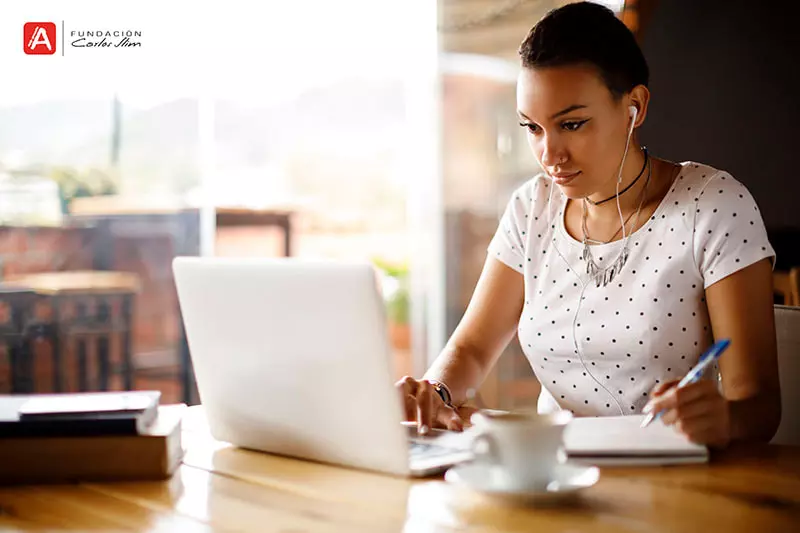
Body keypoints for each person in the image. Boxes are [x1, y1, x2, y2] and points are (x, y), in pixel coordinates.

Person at [397, 1, 781, 448]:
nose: (549, 155)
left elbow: (759, 406)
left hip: (670, 483)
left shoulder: (712, 206)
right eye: (533, 128)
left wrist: (726, 420)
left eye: (572, 124)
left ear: (634, 107)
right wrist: (435, 392)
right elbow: (471, 350)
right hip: (551, 474)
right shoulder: (530, 208)